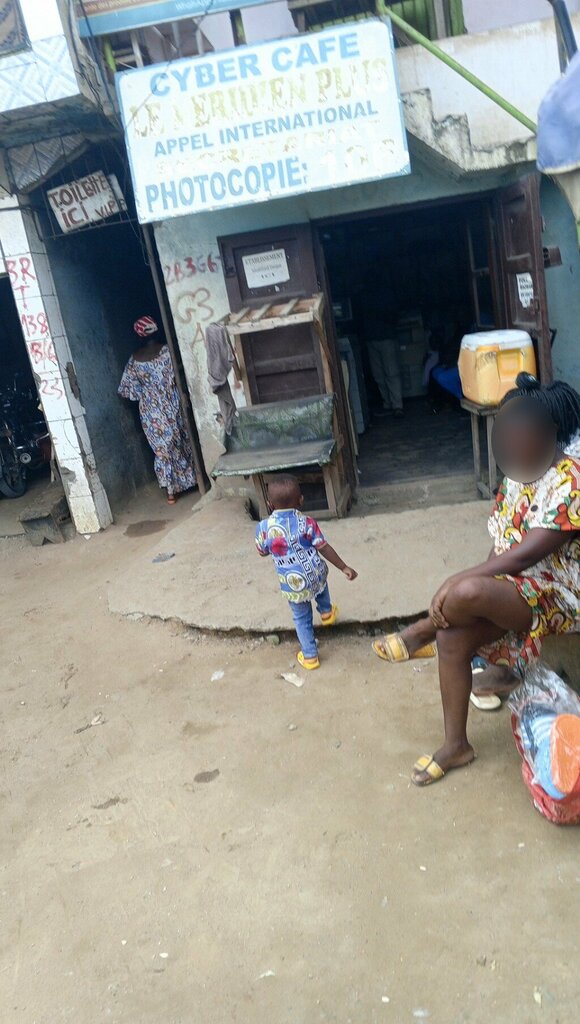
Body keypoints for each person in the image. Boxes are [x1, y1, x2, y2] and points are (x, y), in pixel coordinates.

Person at [372, 374, 580, 786]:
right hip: (523, 592)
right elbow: (502, 548)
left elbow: (528, 553)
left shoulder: (571, 479)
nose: (514, 443)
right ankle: (456, 746)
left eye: (524, 434)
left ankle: (421, 631)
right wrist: (480, 593)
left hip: (563, 597)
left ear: (551, 433)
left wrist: (460, 584)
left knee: (465, 589)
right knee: (455, 636)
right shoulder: (519, 476)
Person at [255, 475, 357, 670]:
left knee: (301, 617)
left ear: (269, 504)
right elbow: (324, 547)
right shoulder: (307, 523)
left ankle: (310, 656)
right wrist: (344, 567)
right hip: (314, 572)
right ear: (301, 500)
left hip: (293, 583)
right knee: (321, 583)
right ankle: (326, 612)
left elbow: (262, 551)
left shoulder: (264, 528)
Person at [118, 316, 196, 504]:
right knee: (180, 441)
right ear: (157, 330)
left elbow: (128, 391)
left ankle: (171, 491)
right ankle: (190, 481)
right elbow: (182, 371)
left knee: (162, 449)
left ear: (138, 336)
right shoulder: (168, 352)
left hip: (150, 410)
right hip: (172, 403)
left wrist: (147, 393)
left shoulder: (134, 359)